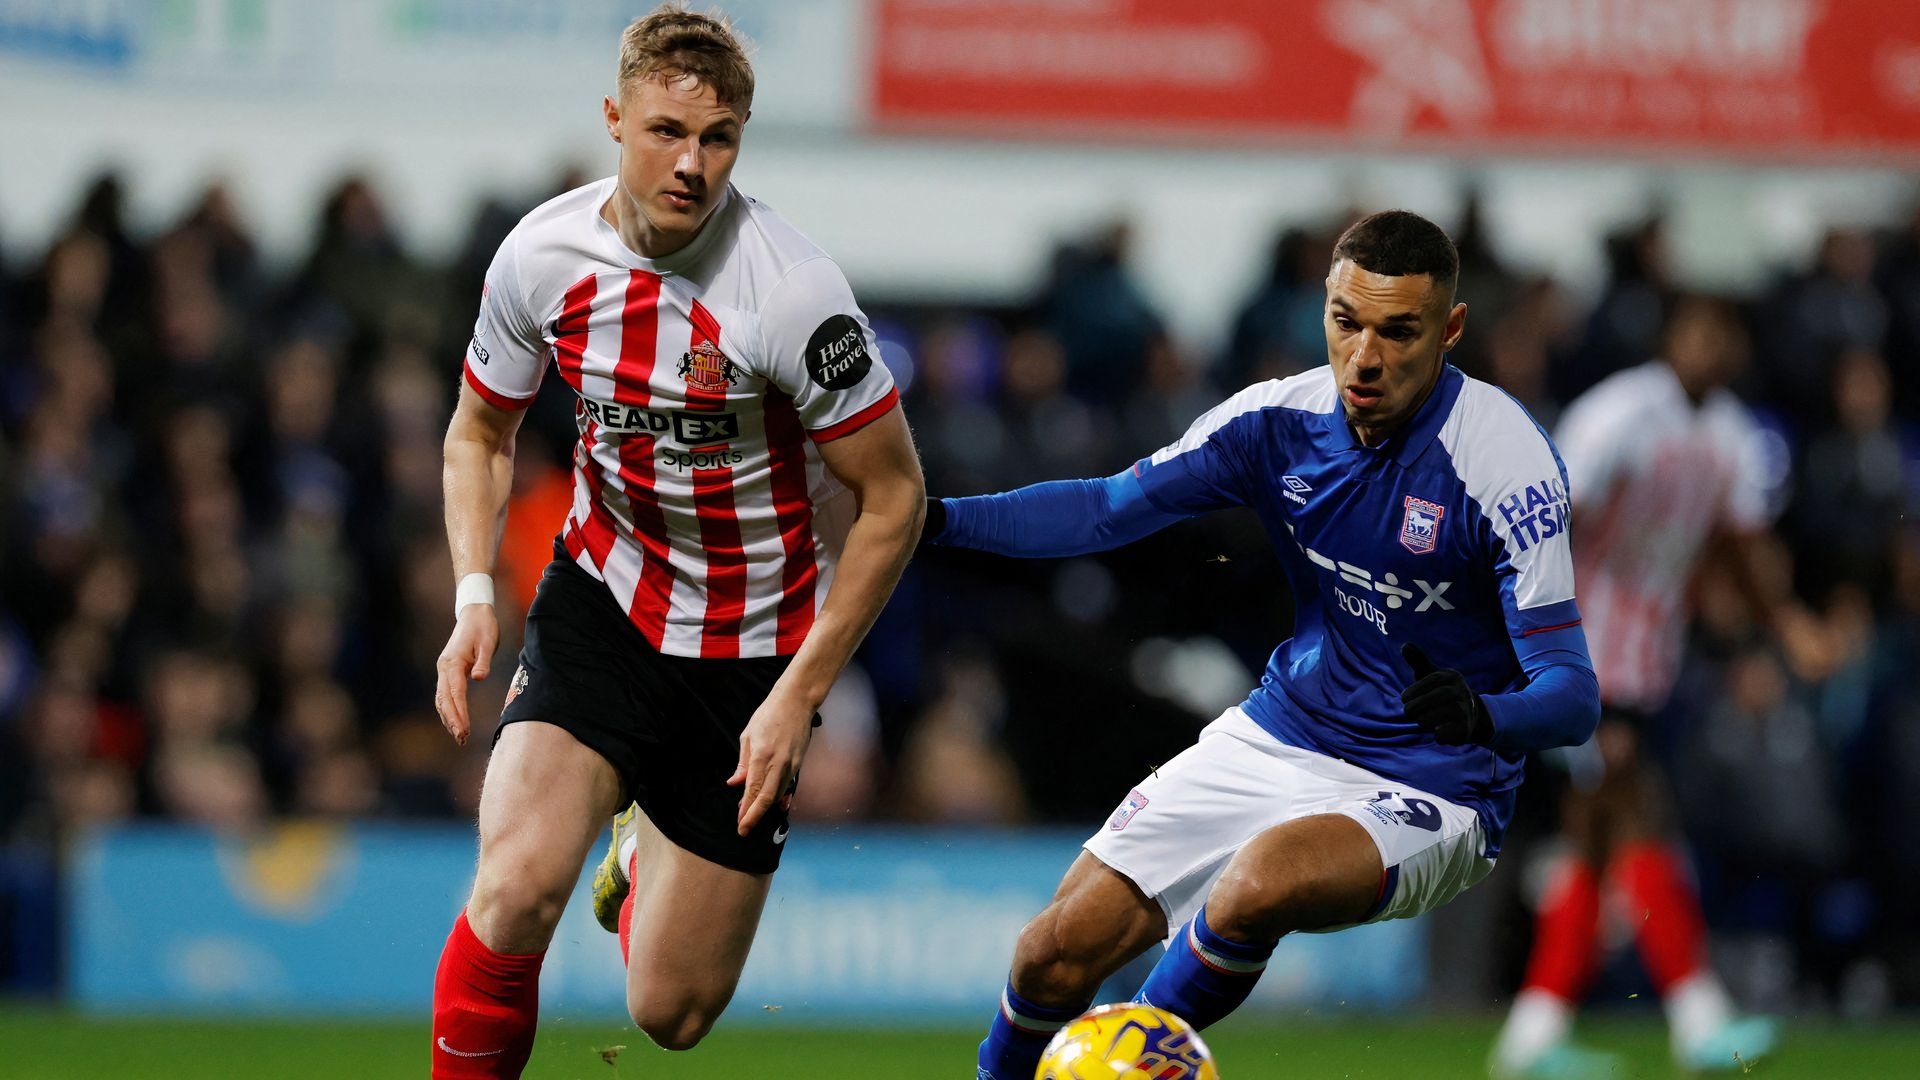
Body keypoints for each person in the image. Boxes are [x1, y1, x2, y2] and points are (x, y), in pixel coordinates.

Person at [926, 210, 1602, 1080]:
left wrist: (1484, 715)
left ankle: (1135, 1059)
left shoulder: (1505, 464)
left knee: (1256, 886)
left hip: (1436, 782)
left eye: (1400, 332)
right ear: (1323, 307)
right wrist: (937, 521)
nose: (1365, 356)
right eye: (1346, 323)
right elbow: (1103, 508)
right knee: (1052, 951)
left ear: (1451, 330)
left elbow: (1574, 697)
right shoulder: (1274, 422)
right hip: (1284, 731)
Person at [427, 7, 924, 1076]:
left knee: (671, 1013)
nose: (691, 164)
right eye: (665, 131)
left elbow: (895, 499)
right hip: (604, 596)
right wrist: (476, 594)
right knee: (513, 890)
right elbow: (479, 430)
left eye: (719, 139)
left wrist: (800, 696)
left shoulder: (792, 294)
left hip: (752, 650)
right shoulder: (540, 257)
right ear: (615, 118)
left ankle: (641, 846)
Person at [1489, 296, 1821, 1078]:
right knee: (1635, 822)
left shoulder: (1732, 435)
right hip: (1583, 657)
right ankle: (1698, 1017)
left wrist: (1785, 626)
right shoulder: (1621, 414)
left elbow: (1738, 544)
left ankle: (1532, 1036)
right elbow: (1548, 511)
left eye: (1722, 333)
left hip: (1649, 664)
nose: (1709, 347)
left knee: (1598, 844)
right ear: (1671, 338)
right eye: (1697, 331)